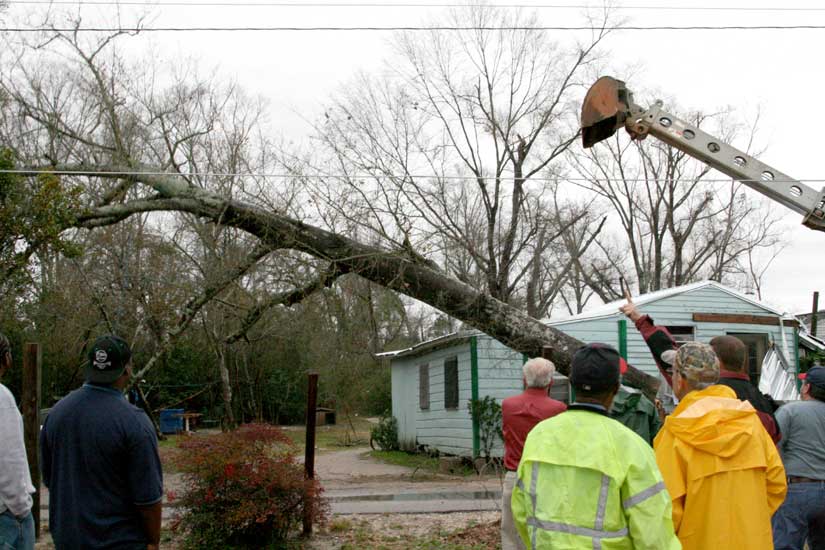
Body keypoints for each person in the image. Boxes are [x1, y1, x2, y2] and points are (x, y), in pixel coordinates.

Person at [511, 343, 681, 549]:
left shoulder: (539, 435)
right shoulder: (630, 445)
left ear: (571, 383)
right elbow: (653, 532)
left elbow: (521, 510)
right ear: (616, 389)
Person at [653, 342, 786, 550]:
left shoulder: (675, 434)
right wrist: (749, 522)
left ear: (680, 380)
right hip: (752, 542)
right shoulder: (752, 425)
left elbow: (664, 509)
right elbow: (776, 485)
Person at [40, 335, 163, 550]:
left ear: (90, 367)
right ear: (127, 369)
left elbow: (51, 479)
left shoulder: (56, 414)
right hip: (121, 543)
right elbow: (148, 499)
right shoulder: (135, 422)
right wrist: (153, 541)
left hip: (68, 541)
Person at [620, 296, 781, 441]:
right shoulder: (762, 405)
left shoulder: (700, 391)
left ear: (714, 361)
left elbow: (665, 353)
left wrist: (639, 319)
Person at [500, 357, 567, 550]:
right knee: (547, 529)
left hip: (515, 474)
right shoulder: (559, 409)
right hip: (547, 476)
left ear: (524, 379)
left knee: (511, 531)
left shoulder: (508, 406)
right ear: (551, 382)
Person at [771, 365, 825, 550]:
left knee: (785, 545)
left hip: (797, 488)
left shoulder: (790, 411)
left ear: (808, 387)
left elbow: (772, 448)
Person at [0, 333, 36, 550]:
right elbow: (9, 460)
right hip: (6, 517)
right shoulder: (2, 399)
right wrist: (20, 510)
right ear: (6, 358)